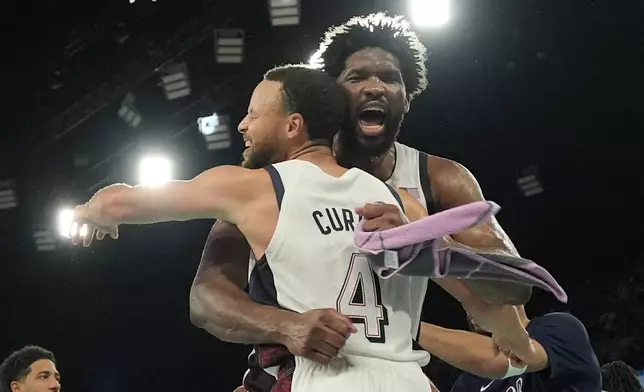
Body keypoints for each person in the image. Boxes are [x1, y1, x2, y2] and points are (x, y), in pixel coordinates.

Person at [69, 64, 440, 391]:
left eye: (253, 114)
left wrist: (91, 211)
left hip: (324, 376)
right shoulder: (403, 202)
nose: (242, 124)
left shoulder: (255, 187)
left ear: (293, 125)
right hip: (407, 378)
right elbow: (480, 288)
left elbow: (116, 203)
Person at [189, 10, 521, 373]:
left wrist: (431, 245)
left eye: (390, 79)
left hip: (391, 370)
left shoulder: (437, 178)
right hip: (290, 374)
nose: (375, 87)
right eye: (357, 76)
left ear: (406, 99)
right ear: (332, 95)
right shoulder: (276, 174)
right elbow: (206, 298)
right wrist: (285, 326)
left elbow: (515, 289)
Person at [417, 306, 601, 391]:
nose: (469, 304)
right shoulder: (469, 381)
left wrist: (409, 325)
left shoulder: (559, 328)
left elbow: (504, 362)